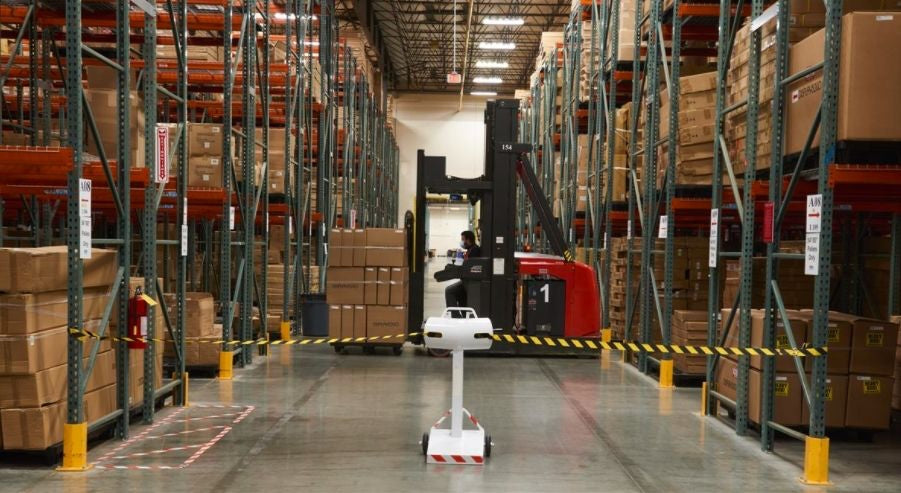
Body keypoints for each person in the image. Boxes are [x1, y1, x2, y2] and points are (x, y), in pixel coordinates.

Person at [445, 230, 481, 309]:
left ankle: (455, 315)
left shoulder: (475, 251)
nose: (462, 242)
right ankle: (460, 314)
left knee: (449, 291)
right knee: (459, 296)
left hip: (470, 282)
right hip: (466, 280)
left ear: (468, 240)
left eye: (463, 239)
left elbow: (471, 268)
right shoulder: (470, 250)